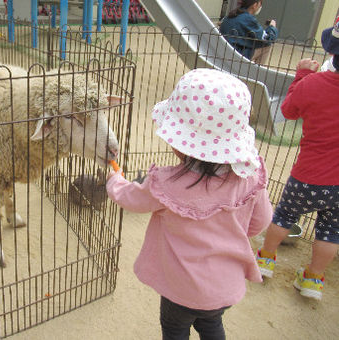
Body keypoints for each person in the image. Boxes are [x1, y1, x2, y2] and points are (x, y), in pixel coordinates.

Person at [106, 68, 273, 339]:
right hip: (222, 289)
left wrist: (115, 180)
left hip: (180, 291)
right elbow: (260, 223)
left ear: (182, 143)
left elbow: (130, 198)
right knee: (211, 324)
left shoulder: (167, 183)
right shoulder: (251, 178)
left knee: (175, 329)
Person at [256, 17, 339, 301]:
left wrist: (302, 75)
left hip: (307, 176)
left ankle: (265, 259)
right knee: (331, 231)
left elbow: (289, 111)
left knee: (285, 215)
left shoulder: (314, 84)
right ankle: (313, 280)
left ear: (332, 52)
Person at [219, 0, 278, 64]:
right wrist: (272, 27)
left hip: (222, 51)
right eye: (260, 3)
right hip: (234, 56)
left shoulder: (231, 15)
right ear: (255, 5)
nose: (260, 6)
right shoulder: (248, 19)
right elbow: (268, 39)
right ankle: (257, 72)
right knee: (267, 46)